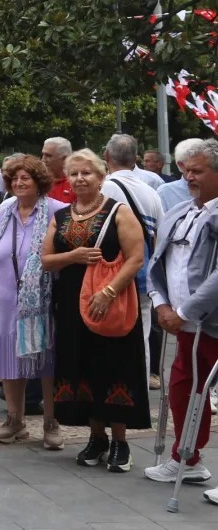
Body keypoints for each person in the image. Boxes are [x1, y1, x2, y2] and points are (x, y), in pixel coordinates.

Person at [42, 148, 149, 473]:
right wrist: (73, 257)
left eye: (86, 172)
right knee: (81, 365)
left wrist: (109, 291)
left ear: (101, 177)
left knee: (113, 365)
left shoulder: (118, 211)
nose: (79, 178)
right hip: (72, 304)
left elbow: (135, 257)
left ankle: (120, 442)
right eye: (74, 173)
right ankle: (96, 436)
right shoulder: (60, 216)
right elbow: (45, 260)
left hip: (110, 301)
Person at [145, 138, 218, 485]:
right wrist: (160, 303)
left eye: (198, 171)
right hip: (184, 324)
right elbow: (158, 264)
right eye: (186, 170)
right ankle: (187, 457)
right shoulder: (179, 211)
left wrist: (186, 310)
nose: (189, 177)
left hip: (209, 321)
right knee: (184, 390)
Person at [0, 154, 65, 449]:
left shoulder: (56, 210)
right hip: (4, 295)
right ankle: (14, 419)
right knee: (8, 357)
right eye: (14, 178)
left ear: (38, 181)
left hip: (42, 298)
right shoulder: (5, 210)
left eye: (25, 178)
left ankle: (51, 422)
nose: (18, 183)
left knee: (45, 357)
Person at [101, 133, 163, 386]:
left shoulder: (103, 188)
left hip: (109, 275)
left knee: (109, 332)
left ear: (106, 157)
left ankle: (113, 385)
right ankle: (138, 384)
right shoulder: (152, 192)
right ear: (135, 159)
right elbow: (159, 239)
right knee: (142, 332)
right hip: (143, 276)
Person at [42, 137, 75, 204]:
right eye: (42, 154)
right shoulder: (37, 181)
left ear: (64, 159)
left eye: (48, 156)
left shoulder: (76, 183)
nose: (43, 159)